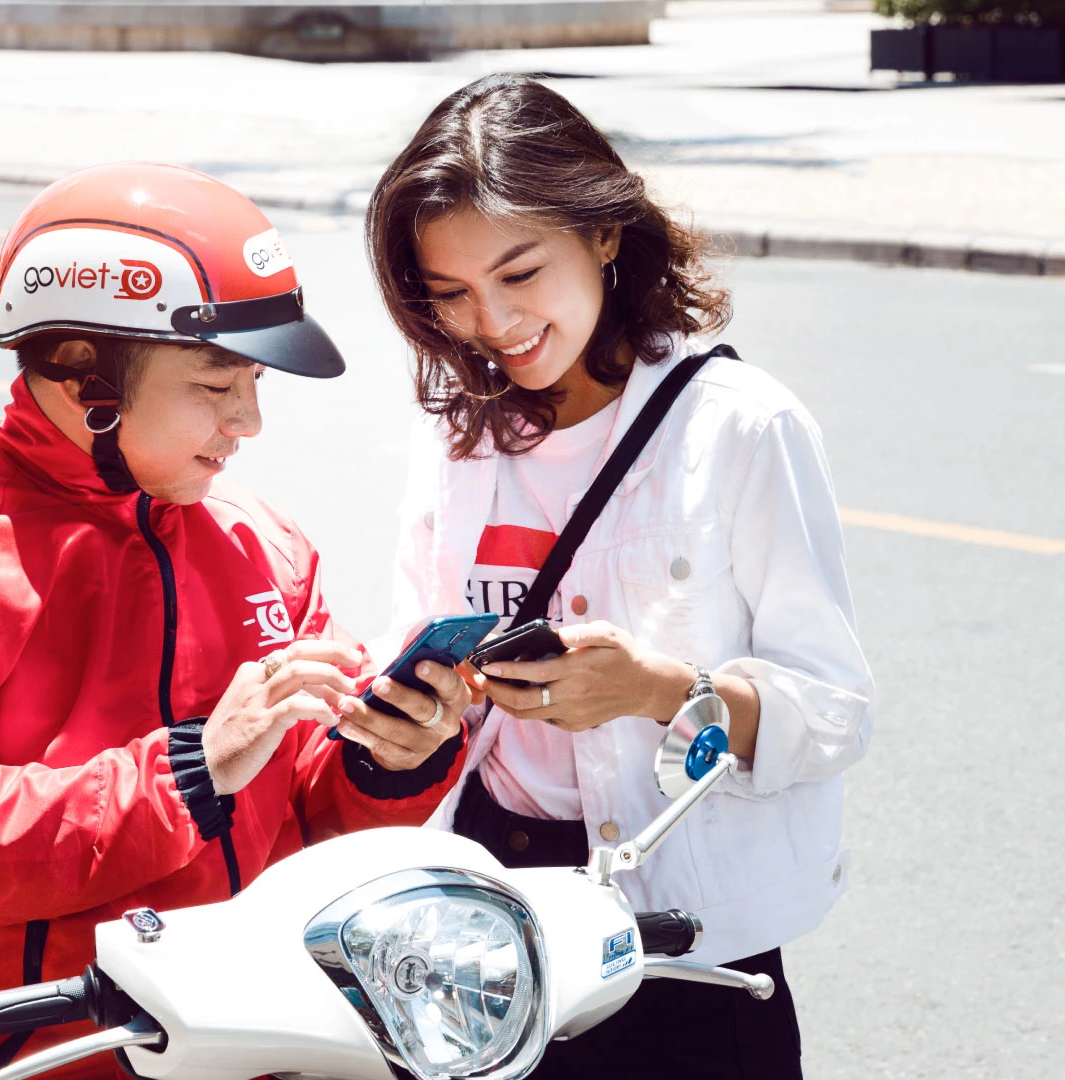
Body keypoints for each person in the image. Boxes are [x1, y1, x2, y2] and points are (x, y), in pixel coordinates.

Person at [0, 163, 471, 1080]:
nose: (249, 420)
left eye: (253, 382)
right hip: (31, 1052)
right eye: (215, 384)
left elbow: (310, 826)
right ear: (87, 374)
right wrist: (191, 766)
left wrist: (386, 758)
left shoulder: (265, 545)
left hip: (265, 1038)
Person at [364, 76, 875, 1077]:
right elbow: (421, 654)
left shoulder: (738, 426)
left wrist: (656, 691)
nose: (495, 323)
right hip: (482, 935)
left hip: (680, 942)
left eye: (520, 273)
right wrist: (417, 720)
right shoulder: (456, 440)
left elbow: (837, 710)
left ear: (604, 233)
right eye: (453, 294)